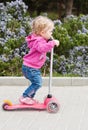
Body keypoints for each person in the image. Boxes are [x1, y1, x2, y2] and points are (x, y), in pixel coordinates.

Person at [19, 15, 59, 105]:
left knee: (36, 83)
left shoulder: (39, 39)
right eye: (50, 31)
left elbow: (43, 46)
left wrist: (49, 42)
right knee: (38, 83)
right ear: (42, 32)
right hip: (30, 68)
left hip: (30, 67)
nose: (51, 33)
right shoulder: (38, 41)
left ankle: (29, 98)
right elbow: (42, 48)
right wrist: (52, 43)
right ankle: (25, 96)